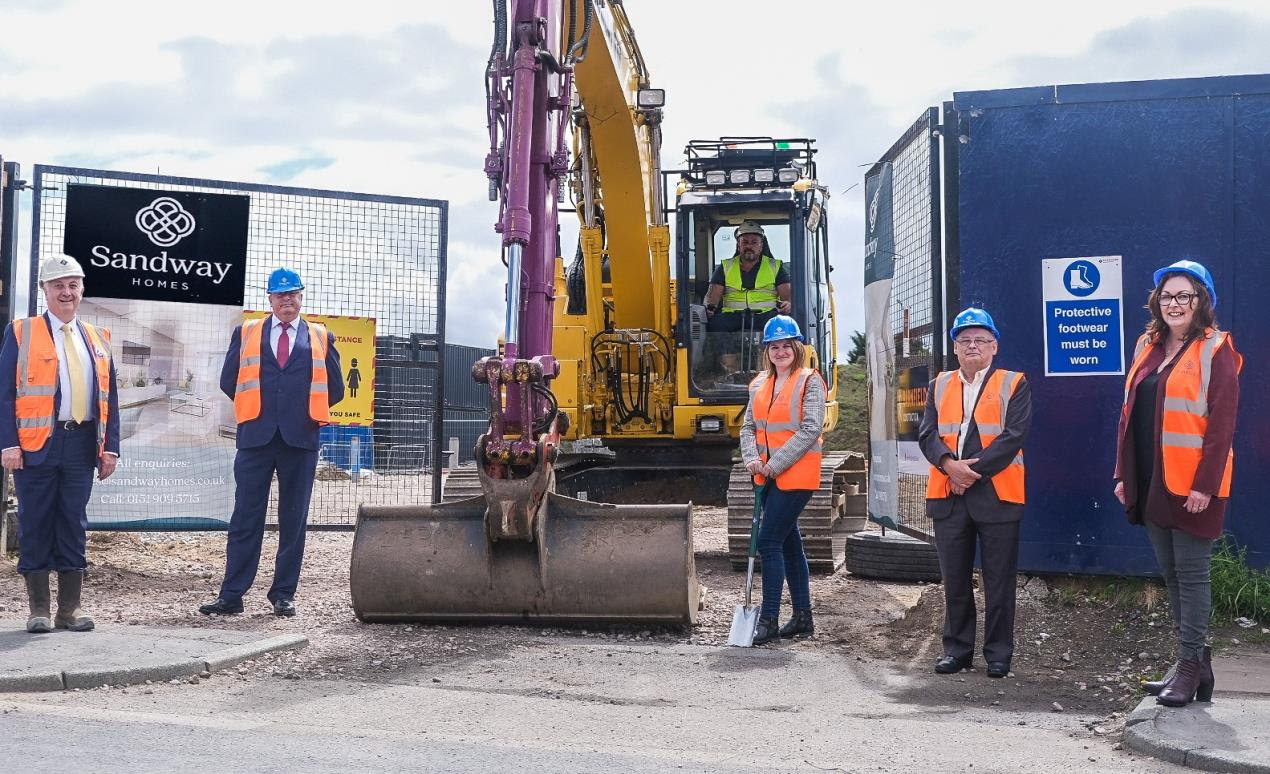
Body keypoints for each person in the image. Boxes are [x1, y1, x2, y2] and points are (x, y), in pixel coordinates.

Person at [1114, 260, 1241, 707]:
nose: (1174, 304)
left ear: (1201, 300)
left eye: (1184, 295)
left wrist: (1205, 485)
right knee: (1171, 576)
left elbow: (1221, 425)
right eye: (1167, 296)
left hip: (1194, 486)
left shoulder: (1216, 348)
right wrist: (1123, 474)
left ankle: (1188, 668)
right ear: (1157, 302)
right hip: (1151, 480)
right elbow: (1129, 416)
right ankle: (1196, 668)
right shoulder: (1146, 347)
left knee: (1192, 576)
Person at [200, 268, 344, 617]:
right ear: (269, 299)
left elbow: (336, 389)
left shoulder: (321, 336)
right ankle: (231, 595)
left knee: (293, 520)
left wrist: (301, 410)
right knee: (245, 517)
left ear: (301, 296)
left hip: (301, 438)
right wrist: (259, 409)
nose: (287, 300)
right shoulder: (247, 332)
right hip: (256, 439)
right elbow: (228, 380)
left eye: (293, 293)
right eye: (280, 295)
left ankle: (283, 594)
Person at [0, 254, 120, 633]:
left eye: (72, 285)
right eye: (58, 286)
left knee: (73, 522)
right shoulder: (22, 331)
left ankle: (69, 611)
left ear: (81, 289)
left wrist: (110, 447)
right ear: (44, 291)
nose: (66, 292)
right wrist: (8, 444)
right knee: (35, 522)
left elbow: (109, 396)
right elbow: (4, 393)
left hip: (82, 443)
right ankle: (38, 610)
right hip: (36, 445)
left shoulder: (99, 338)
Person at [918, 307, 1031, 678]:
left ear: (994, 346)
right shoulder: (939, 384)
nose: (972, 346)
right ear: (954, 347)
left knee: (999, 580)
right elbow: (927, 434)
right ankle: (957, 650)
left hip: (996, 494)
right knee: (954, 578)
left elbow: (1014, 436)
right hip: (948, 494)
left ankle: (998, 654)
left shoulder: (1014, 383)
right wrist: (950, 466)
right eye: (964, 340)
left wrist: (970, 472)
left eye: (980, 339)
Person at [739, 314, 825, 645]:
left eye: (786, 345)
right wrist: (751, 459)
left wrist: (775, 464)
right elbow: (748, 426)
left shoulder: (809, 381)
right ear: (767, 351)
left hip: (796, 474)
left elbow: (811, 428)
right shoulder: (759, 383)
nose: (780, 351)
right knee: (790, 544)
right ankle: (803, 617)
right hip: (766, 475)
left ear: (797, 347)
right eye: (774, 346)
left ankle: (770, 619)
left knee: (768, 541)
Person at [703, 221, 792, 333]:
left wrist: (788, 304)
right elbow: (712, 298)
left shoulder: (775, 266)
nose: (749, 246)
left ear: (761, 246)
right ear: (738, 246)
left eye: (754, 242)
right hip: (732, 317)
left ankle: (775, 350)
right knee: (714, 325)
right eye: (745, 242)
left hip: (766, 316)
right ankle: (725, 351)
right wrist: (708, 308)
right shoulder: (725, 267)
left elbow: (788, 297)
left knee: (782, 325)